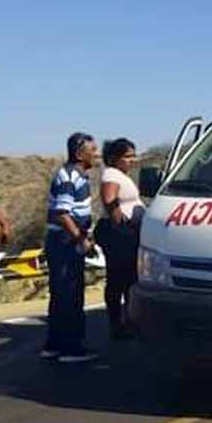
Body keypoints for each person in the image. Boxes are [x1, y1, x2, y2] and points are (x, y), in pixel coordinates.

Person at [43, 132, 100, 363]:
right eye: (92, 150)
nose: (96, 155)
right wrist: (81, 239)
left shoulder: (78, 176)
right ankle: (71, 349)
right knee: (70, 295)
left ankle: (54, 345)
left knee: (60, 294)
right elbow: (62, 213)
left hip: (66, 241)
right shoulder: (68, 178)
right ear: (79, 153)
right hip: (65, 243)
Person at [95, 138, 145, 340]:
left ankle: (128, 320)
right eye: (128, 156)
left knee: (129, 280)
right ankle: (117, 324)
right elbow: (109, 199)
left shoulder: (121, 175)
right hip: (119, 235)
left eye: (134, 155)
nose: (132, 160)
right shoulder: (111, 174)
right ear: (115, 158)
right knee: (118, 279)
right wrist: (121, 223)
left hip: (126, 234)